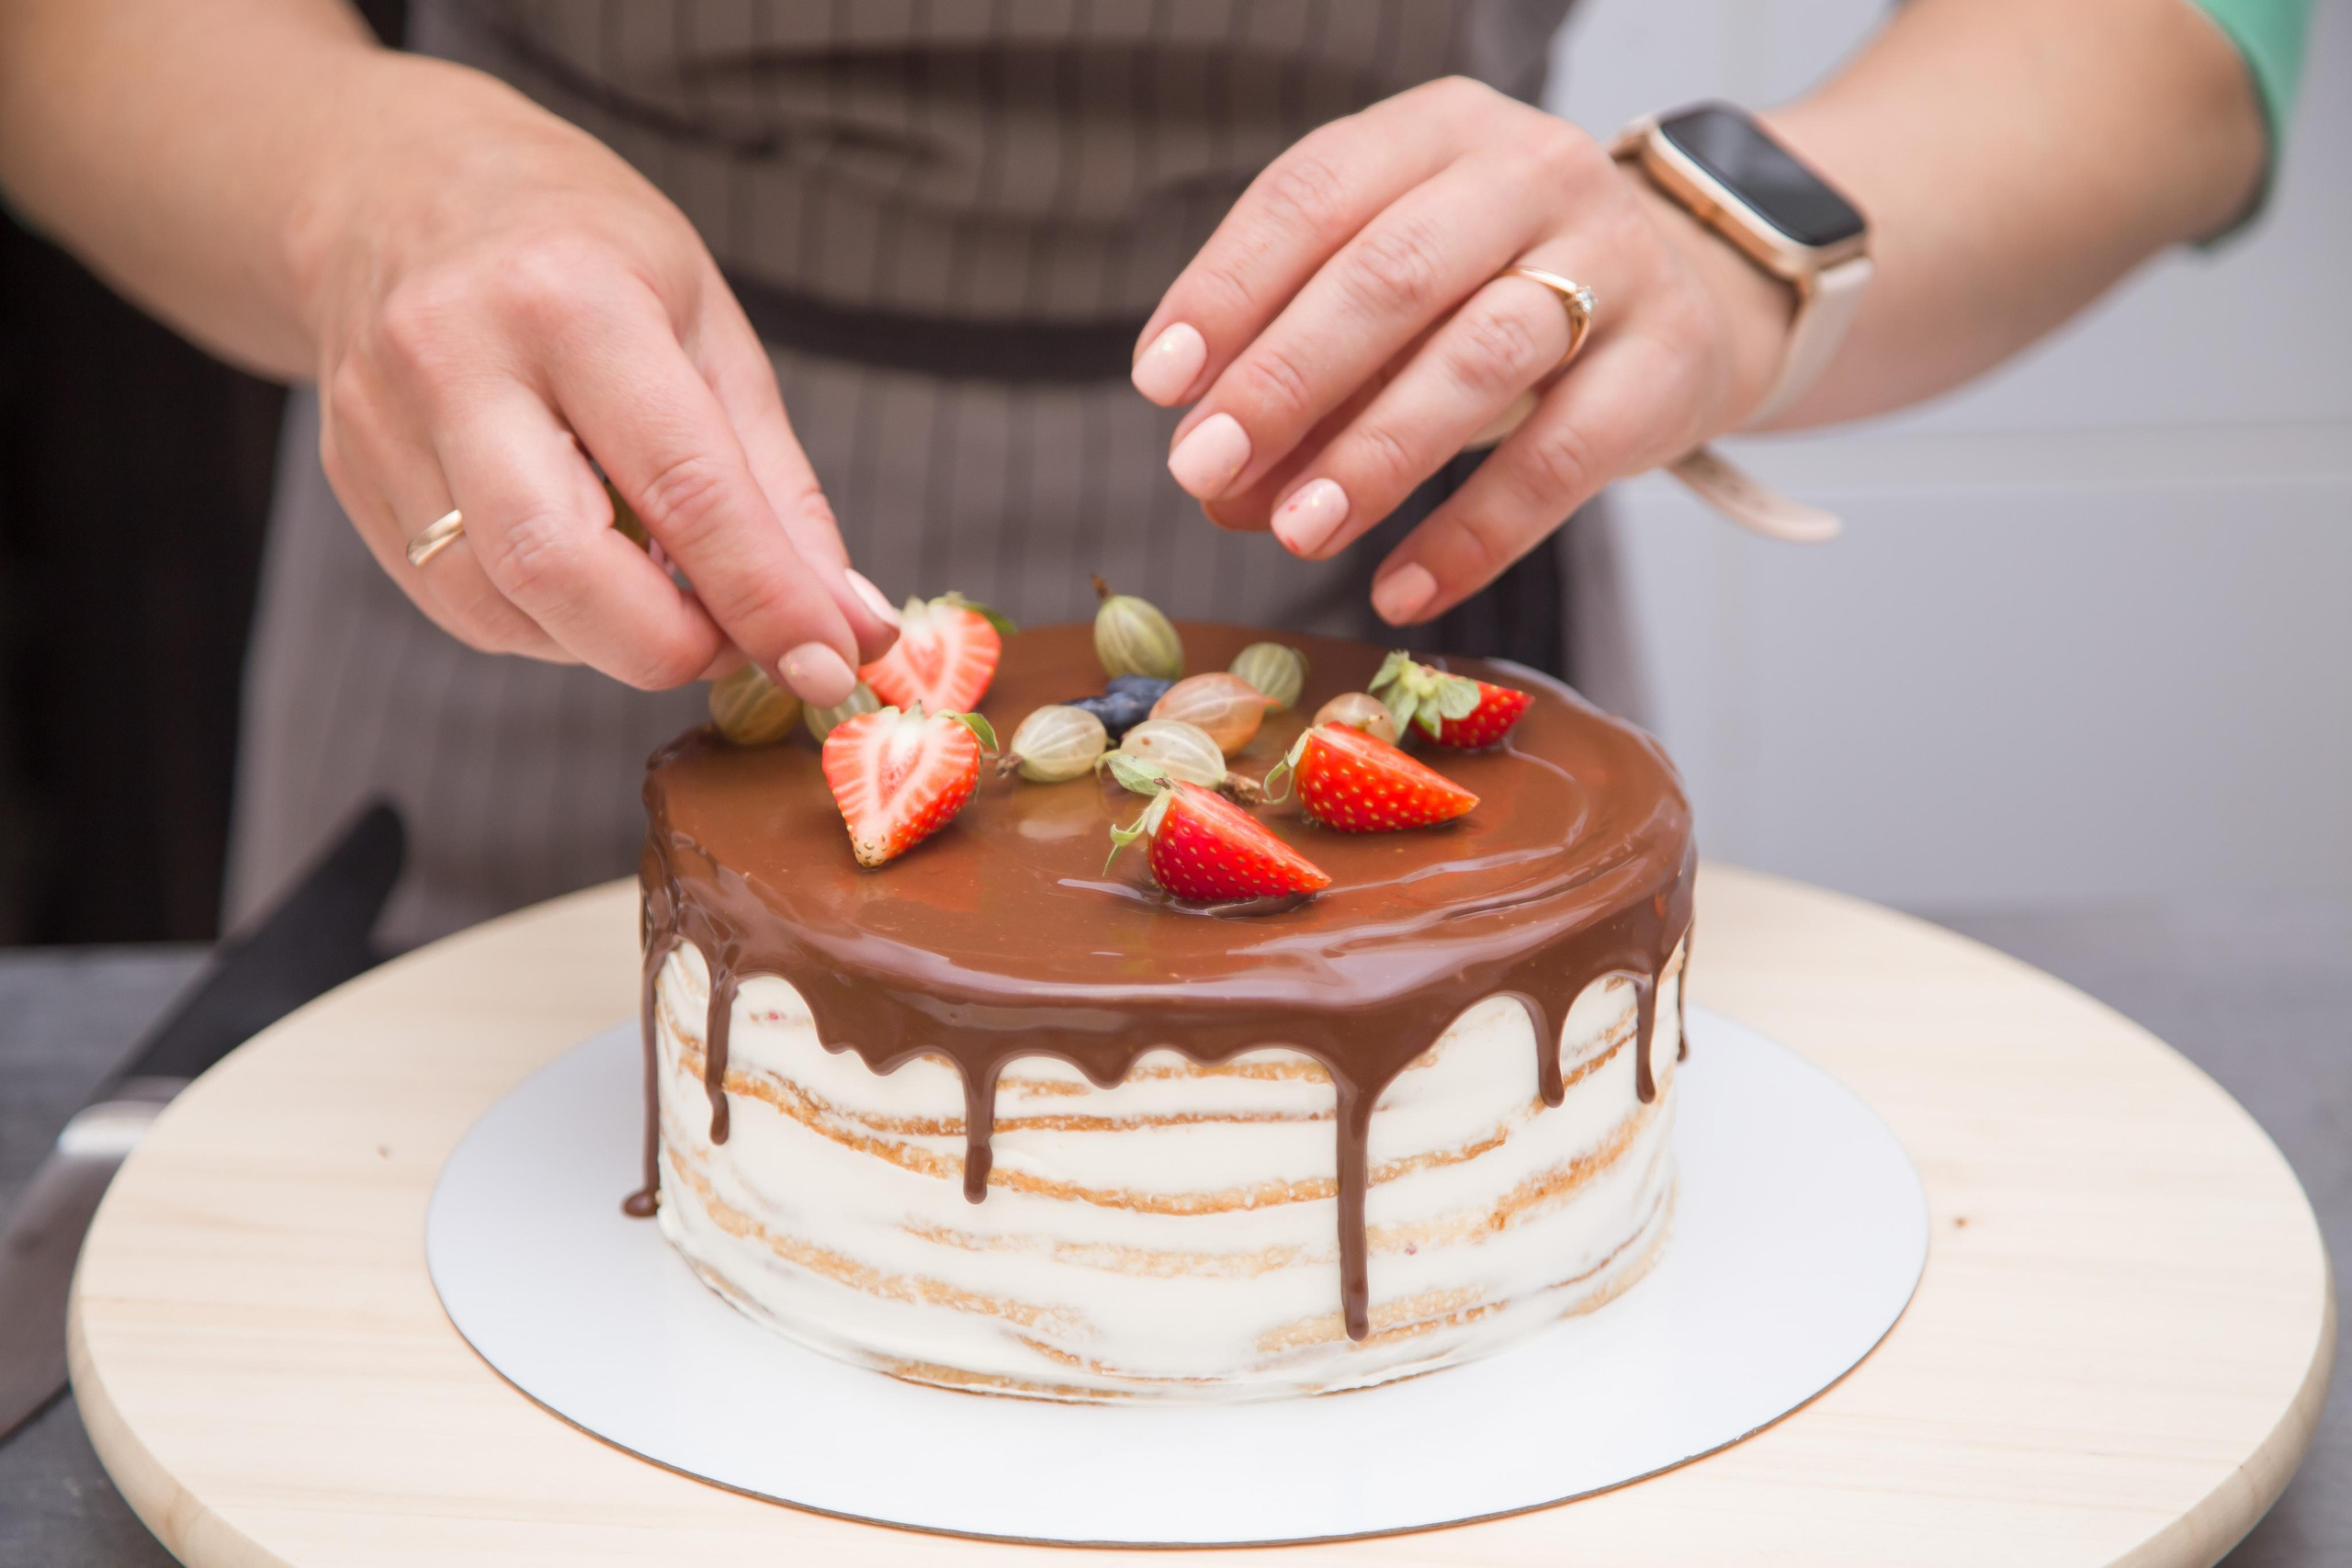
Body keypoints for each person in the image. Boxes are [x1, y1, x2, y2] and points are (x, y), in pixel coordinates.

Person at [0, 0, 2309, 946]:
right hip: (544, 571)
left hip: (1387, 615)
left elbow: (2186, 37)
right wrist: (361, 188)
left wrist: (1735, 233)